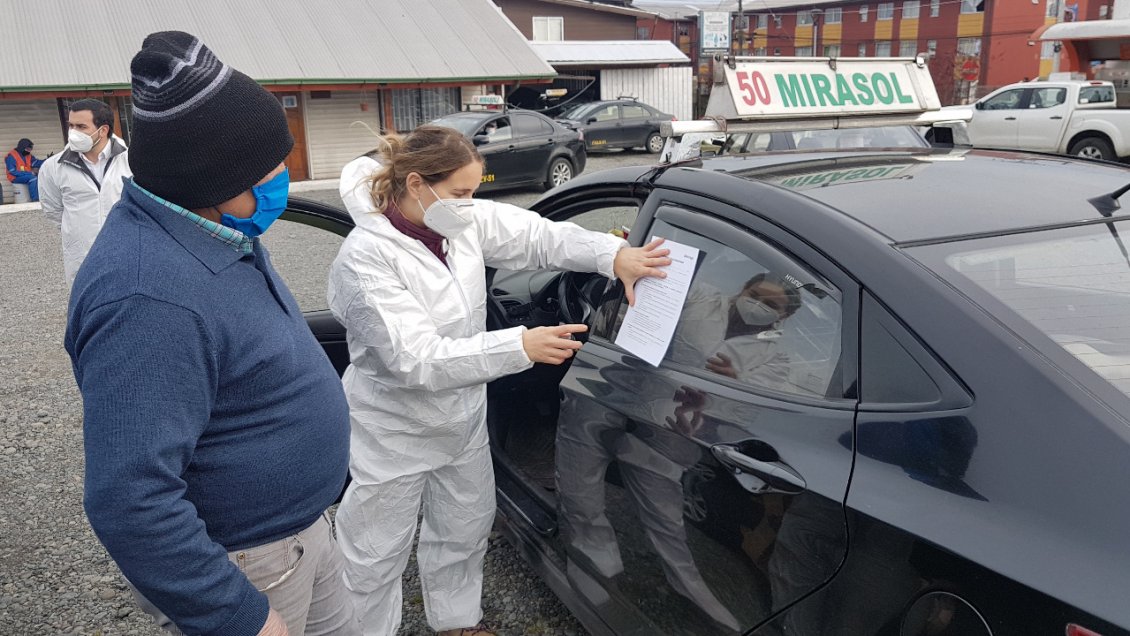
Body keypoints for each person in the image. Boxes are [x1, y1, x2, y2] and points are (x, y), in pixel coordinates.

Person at [65, 31, 356, 636]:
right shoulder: (147, 297)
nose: (282, 175)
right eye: (266, 167)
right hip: (252, 566)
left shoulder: (216, 230)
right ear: (209, 177)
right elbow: (131, 500)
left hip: (302, 537)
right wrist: (238, 616)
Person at [328, 124, 671, 636]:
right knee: (374, 552)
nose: (471, 204)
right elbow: (414, 359)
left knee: (464, 528)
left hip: (462, 418)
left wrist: (611, 255)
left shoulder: (455, 220)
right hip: (395, 428)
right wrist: (519, 345)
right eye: (462, 192)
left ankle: (457, 622)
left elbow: (537, 236)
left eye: (475, 191)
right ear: (417, 183)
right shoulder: (366, 257)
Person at [38, 98, 132, 284]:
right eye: (71, 126)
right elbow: (53, 210)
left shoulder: (131, 162)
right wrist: (80, 230)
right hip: (82, 258)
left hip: (127, 252)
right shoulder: (53, 167)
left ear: (103, 130)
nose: (73, 133)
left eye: (81, 127)